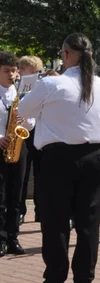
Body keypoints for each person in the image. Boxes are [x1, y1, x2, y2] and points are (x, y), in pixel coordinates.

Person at [19, 33, 100, 283]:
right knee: (89, 223)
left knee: (55, 221)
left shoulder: (51, 84)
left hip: (58, 159)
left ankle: (54, 282)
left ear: (65, 54)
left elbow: (22, 111)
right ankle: (83, 281)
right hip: (94, 156)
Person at [0, 51, 34, 256]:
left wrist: (25, 122)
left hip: (19, 147)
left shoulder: (22, 93)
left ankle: (13, 237)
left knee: (16, 197)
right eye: (7, 71)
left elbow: (32, 121)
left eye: (14, 71)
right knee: (0, 197)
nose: (12, 75)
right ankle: (1, 239)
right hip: (0, 147)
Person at [16, 55, 43, 225]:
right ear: (22, 71)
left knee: (40, 174)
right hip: (22, 134)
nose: (35, 76)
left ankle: (40, 211)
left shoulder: (41, 87)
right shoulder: (15, 87)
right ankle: (20, 211)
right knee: (22, 176)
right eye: (31, 72)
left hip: (38, 133)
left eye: (37, 72)